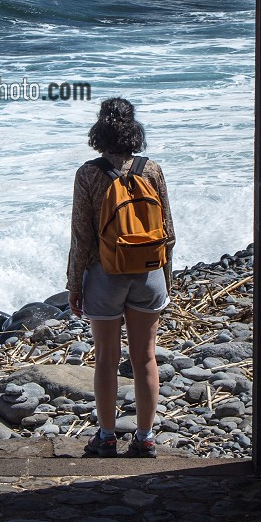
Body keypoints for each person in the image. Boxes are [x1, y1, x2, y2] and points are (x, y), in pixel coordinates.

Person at [67, 97, 175, 458]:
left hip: (105, 276)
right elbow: (168, 231)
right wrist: (166, 277)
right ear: (133, 130)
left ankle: (107, 435)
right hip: (148, 274)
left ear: (99, 130)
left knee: (106, 358)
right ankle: (144, 437)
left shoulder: (88, 173)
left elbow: (82, 238)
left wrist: (74, 285)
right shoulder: (152, 170)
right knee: (145, 358)